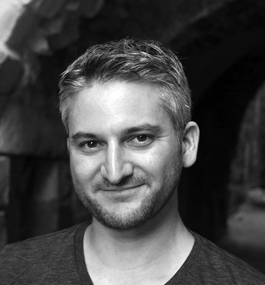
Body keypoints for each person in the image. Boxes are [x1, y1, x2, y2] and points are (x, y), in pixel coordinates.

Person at [1, 38, 265, 285]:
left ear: (186, 145)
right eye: (91, 144)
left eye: (139, 138)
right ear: (70, 150)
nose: (115, 172)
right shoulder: (9, 271)